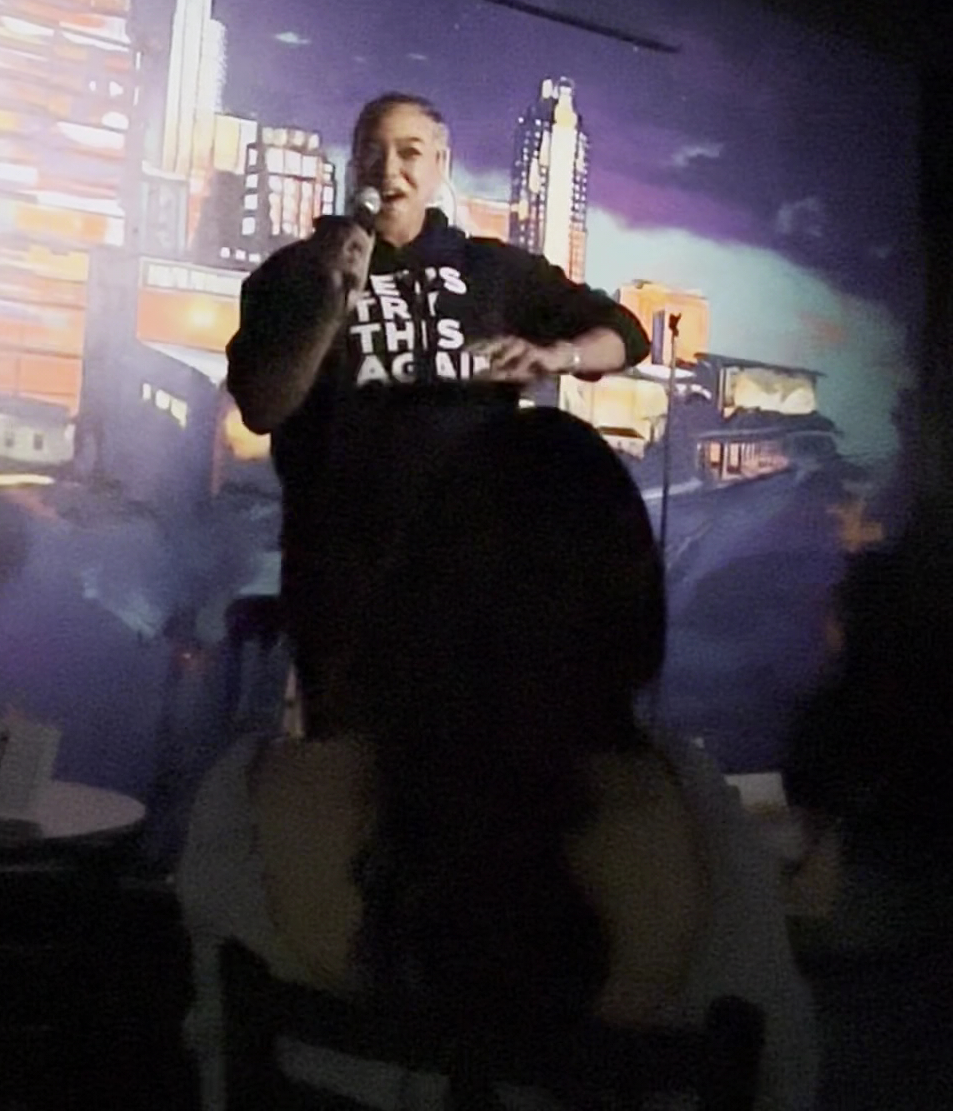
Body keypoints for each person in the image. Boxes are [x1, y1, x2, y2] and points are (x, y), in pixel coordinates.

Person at [177, 409, 817, 1111]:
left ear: (403, 596)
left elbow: (217, 1077)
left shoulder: (250, 809)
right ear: (631, 611)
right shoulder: (698, 828)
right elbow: (782, 1081)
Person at [226, 92, 649, 726]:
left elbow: (627, 334)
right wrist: (329, 306)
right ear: (354, 165)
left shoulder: (492, 270)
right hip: (344, 583)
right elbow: (263, 406)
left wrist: (556, 355)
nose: (388, 169)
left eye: (409, 152)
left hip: (475, 579)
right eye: (373, 152)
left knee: (461, 756)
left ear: (439, 166)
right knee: (346, 758)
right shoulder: (292, 275)